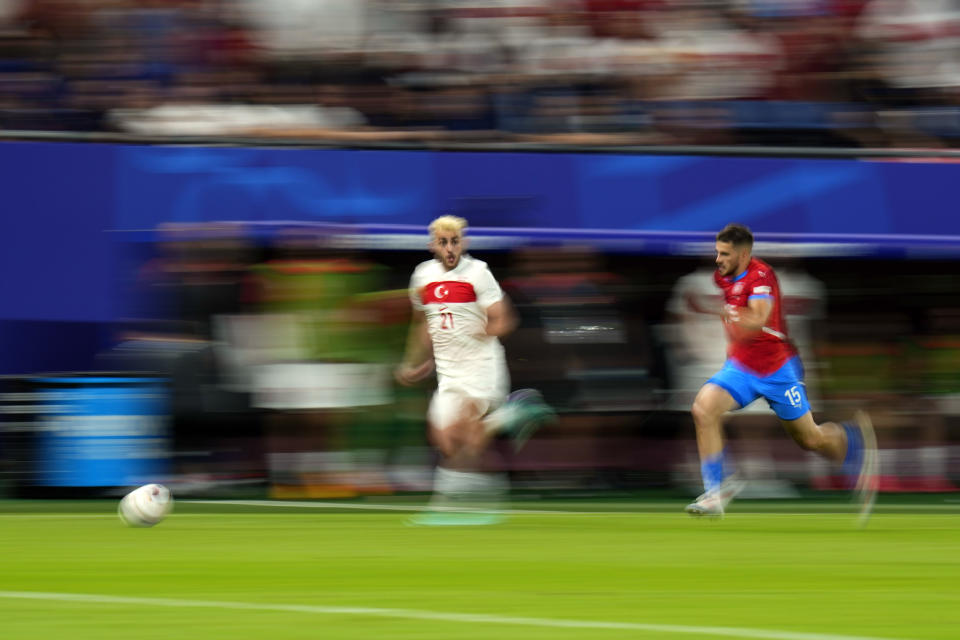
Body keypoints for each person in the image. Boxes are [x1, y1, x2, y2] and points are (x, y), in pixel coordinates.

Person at [686, 223, 878, 523]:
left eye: (724, 254)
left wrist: (734, 315)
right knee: (703, 409)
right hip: (740, 368)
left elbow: (760, 315)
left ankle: (847, 438)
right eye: (716, 253)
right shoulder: (722, 277)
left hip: (777, 370)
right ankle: (715, 492)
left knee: (810, 440)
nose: (718, 259)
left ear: (744, 254)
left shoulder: (761, 275)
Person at [396, 215, 553, 525]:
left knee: (465, 432)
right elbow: (423, 324)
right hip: (448, 372)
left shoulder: (478, 273)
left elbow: (505, 319)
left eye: (455, 241)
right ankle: (515, 412)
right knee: (443, 438)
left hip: (481, 366)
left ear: (463, 243)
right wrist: (415, 361)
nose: (450, 247)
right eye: (443, 242)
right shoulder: (422, 276)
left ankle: (444, 505)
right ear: (433, 246)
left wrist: (483, 331)